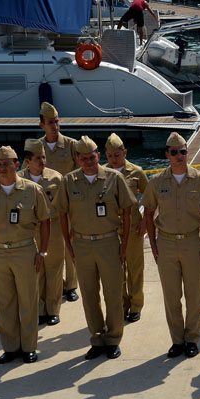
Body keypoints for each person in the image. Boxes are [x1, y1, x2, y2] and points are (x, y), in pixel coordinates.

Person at [0, 146, 53, 364]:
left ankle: (29, 347)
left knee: (28, 300)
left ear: (17, 165)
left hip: (25, 250)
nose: (1, 168)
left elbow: (46, 221)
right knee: (5, 302)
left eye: (6, 164)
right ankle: (10, 347)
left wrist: (42, 251)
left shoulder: (32, 190)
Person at [142, 132, 200, 358]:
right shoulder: (157, 182)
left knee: (194, 294)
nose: (179, 156)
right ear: (167, 154)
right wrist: (154, 245)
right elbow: (148, 213)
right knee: (171, 295)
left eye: (183, 151)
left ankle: (192, 338)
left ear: (187, 153)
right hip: (165, 244)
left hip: (191, 242)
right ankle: (177, 340)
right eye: (174, 152)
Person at [58, 136, 136, 360]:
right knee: (89, 295)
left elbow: (128, 211)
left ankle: (113, 338)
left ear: (98, 157)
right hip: (81, 244)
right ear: (77, 159)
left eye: (92, 157)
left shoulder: (114, 178)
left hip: (109, 241)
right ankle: (97, 338)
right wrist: (68, 244)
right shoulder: (69, 181)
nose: (88, 162)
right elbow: (62, 214)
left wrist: (124, 243)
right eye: (83, 158)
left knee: (113, 293)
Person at [37, 101, 81, 303]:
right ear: (41, 125)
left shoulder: (72, 145)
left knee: (69, 244)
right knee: (49, 249)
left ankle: (72, 285)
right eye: (49, 122)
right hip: (45, 207)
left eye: (56, 122)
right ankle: (58, 285)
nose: (54, 126)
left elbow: (81, 172)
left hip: (68, 205)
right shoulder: (37, 148)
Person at [19, 139, 65, 327]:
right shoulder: (19, 180)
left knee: (54, 268)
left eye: (44, 157)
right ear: (28, 161)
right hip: (30, 230)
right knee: (35, 271)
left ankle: (53, 309)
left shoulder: (56, 178)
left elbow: (63, 207)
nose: (43, 161)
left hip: (53, 228)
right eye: (38, 158)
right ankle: (39, 309)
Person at [104, 133, 148, 323]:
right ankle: (122, 304)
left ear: (125, 152)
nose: (114, 159)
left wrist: (147, 221)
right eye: (110, 155)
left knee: (135, 267)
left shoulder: (136, 172)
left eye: (117, 154)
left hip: (134, 227)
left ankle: (136, 304)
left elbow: (150, 199)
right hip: (111, 228)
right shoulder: (102, 172)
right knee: (116, 270)